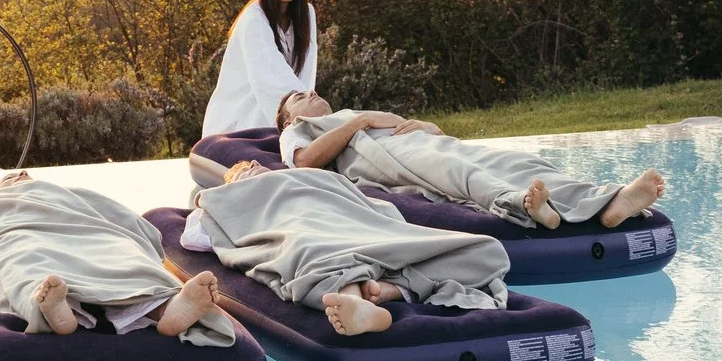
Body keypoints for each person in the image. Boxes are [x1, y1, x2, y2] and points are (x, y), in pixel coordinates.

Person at [183, 160, 510, 337]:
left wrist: (381, 224)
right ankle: (358, 302)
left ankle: (389, 291)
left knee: (486, 251)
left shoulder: (310, 177)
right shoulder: (228, 202)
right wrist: (214, 202)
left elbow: (370, 205)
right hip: (303, 227)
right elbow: (196, 237)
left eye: (248, 169)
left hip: (355, 226)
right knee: (310, 249)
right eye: (239, 176)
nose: (248, 173)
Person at [0, 173, 235, 344]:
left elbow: (122, 220)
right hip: (20, 230)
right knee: (25, 255)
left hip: (89, 229)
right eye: (10, 179)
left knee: (124, 256)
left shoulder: (69, 194)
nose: (18, 178)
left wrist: (126, 233)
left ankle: (169, 308)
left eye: (22, 176)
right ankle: (55, 312)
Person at [274, 90, 668, 230]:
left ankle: (610, 199)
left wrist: (428, 126)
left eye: (309, 90)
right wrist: (362, 121)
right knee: (460, 174)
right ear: (288, 117)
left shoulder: (345, 113)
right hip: (384, 159)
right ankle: (525, 207)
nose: (308, 92)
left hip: (427, 144)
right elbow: (305, 163)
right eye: (297, 96)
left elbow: (429, 133)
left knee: (517, 162)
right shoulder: (299, 129)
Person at [201, 0, 318, 138]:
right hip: (236, 125)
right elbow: (269, 75)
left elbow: (306, 73)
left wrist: (307, 115)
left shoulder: (307, 14)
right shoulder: (253, 20)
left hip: (283, 116)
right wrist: (304, 112)